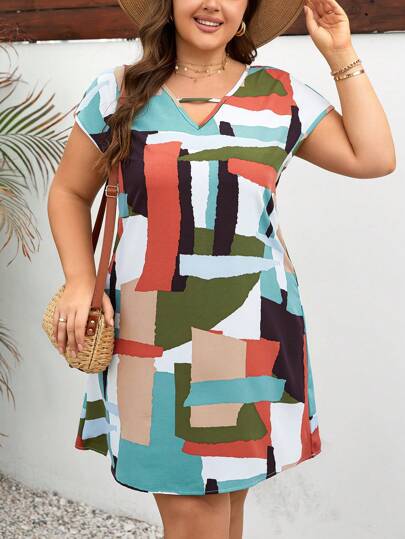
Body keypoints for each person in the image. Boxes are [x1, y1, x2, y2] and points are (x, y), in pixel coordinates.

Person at [47, 0, 396, 537]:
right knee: (198, 512)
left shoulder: (278, 95)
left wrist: (341, 54)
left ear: (247, 9)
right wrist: (78, 279)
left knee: (224, 506)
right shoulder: (116, 93)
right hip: (152, 338)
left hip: (249, 326)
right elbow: (69, 192)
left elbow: (373, 157)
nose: (213, 3)